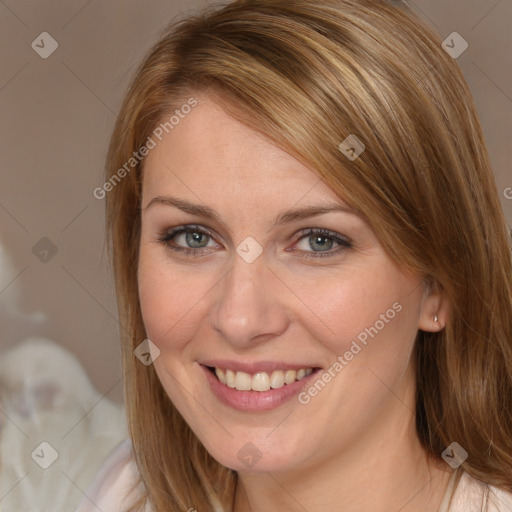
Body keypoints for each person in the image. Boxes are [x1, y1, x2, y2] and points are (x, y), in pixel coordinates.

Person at [75, 0, 512, 510]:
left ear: (438, 285)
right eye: (193, 237)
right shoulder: (121, 495)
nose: (239, 319)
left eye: (318, 241)